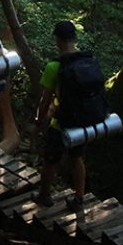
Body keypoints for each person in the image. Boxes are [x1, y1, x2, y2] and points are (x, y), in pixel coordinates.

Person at [33, 20, 90, 212]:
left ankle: (44, 195)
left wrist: (39, 121)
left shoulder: (54, 67)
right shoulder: (87, 61)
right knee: (77, 158)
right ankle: (79, 199)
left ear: (57, 39)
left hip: (61, 123)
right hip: (83, 121)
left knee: (50, 160)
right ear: (74, 37)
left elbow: (45, 100)